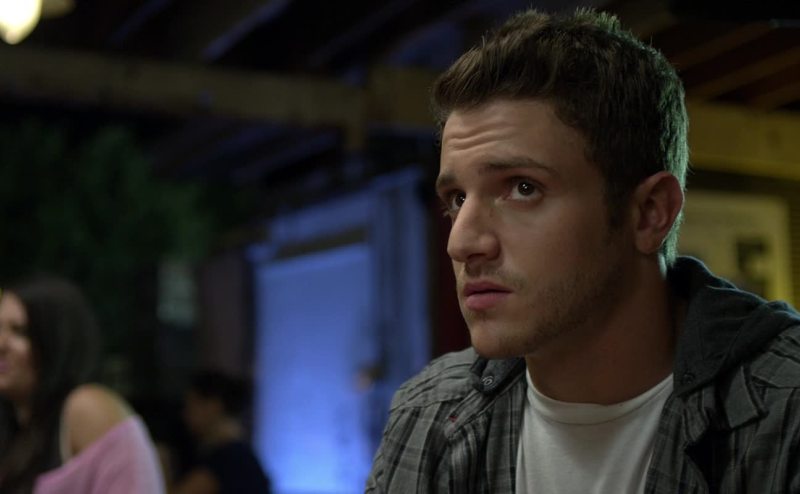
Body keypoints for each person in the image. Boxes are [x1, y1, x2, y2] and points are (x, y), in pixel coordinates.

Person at [367, 8, 800, 493]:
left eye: (523, 188)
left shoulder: (784, 410)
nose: (461, 242)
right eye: (457, 199)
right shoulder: (427, 415)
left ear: (650, 213)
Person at [0, 275, 165, 493]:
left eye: (19, 331)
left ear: (57, 342)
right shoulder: (16, 426)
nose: (1, 344)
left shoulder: (86, 408)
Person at [171, 369, 271, 494]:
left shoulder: (230, 458)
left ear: (213, 406)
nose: (185, 414)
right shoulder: (236, 455)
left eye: (191, 405)